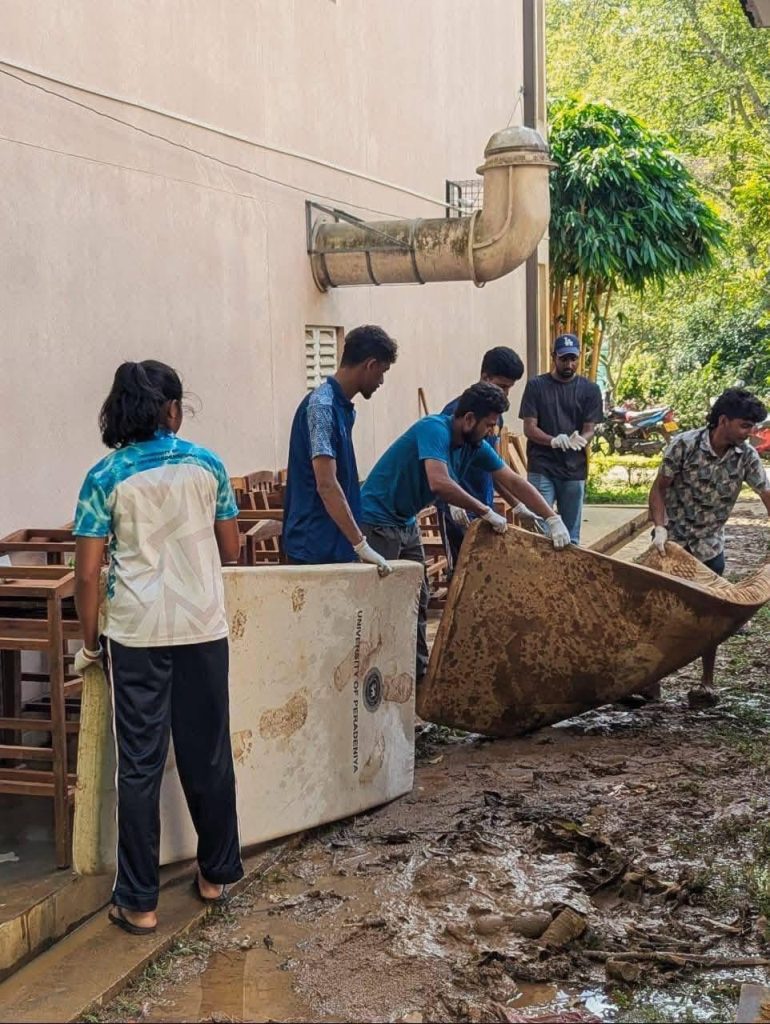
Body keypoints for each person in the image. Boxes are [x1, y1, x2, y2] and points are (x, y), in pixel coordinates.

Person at [73, 361, 243, 936]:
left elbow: (87, 573)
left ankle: (140, 903)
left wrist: (90, 641)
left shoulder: (104, 477)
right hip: (202, 628)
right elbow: (231, 549)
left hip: (136, 635)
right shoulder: (209, 465)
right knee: (209, 754)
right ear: (172, 409)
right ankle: (215, 875)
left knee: (140, 765)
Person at [360, 382, 571, 682]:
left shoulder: (475, 447)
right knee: (383, 604)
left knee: (418, 597)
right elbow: (438, 482)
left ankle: (417, 676)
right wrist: (484, 510)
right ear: (469, 419)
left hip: (405, 522)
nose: (492, 431)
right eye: (489, 425)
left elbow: (513, 480)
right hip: (377, 521)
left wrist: (552, 517)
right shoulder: (434, 429)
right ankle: (375, 678)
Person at [649, 387, 770, 696]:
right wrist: (660, 527)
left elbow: (766, 493)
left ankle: (706, 682)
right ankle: (650, 682)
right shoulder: (684, 445)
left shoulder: (746, 457)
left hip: (710, 546)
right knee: (659, 612)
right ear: (724, 420)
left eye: (753, 426)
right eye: (745, 425)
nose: (750, 432)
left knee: (711, 617)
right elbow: (659, 488)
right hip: (671, 544)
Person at [283, 325, 398, 573]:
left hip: (335, 542)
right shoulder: (322, 407)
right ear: (370, 365)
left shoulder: (343, 408)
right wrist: (361, 544)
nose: (381, 382)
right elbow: (326, 484)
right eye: (382, 372)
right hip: (314, 546)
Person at [438, 346, 526, 570]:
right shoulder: (456, 413)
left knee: (483, 571)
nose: (506, 394)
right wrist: (451, 503)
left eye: (510, 388)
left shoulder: (495, 416)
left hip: (483, 505)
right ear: (485, 378)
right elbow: (440, 467)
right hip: (457, 510)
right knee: (461, 571)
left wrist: (516, 505)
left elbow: (495, 469)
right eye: (502, 386)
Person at [519, 333, 603, 544]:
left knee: (571, 533)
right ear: (553, 357)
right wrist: (553, 441)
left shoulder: (590, 390)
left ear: (579, 357)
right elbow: (529, 427)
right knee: (540, 529)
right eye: (564, 359)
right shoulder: (536, 386)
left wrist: (581, 439)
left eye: (573, 359)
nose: (569, 364)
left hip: (574, 468)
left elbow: (590, 428)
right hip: (542, 465)